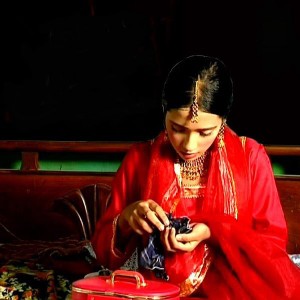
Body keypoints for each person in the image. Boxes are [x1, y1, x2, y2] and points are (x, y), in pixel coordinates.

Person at [91, 55, 300, 299]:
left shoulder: (250, 157)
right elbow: (103, 252)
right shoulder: (141, 159)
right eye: (177, 129)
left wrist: (213, 232)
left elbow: (271, 248)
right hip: (157, 292)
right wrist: (127, 220)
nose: (190, 144)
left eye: (205, 132)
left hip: (234, 291)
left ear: (223, 121)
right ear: (164, 112)